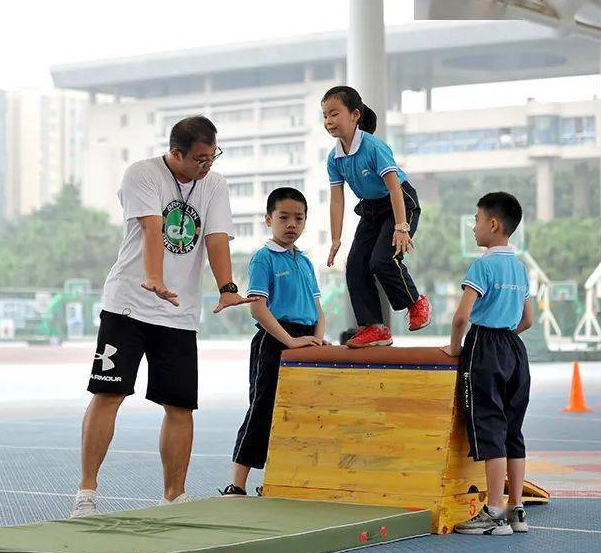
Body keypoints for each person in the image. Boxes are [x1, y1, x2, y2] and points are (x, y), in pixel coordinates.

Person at [70, 116, 256, 517]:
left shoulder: (215, 184)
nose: (207, 165)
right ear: (176, 153)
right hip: (128, 306)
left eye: (213, 156)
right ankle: (86, 493)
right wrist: (153, 278)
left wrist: (227, 288)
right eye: (200, 159)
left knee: (179, 405)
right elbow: (154, 229)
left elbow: (216, 237)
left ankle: (174, 496)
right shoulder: (142, 173)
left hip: (179, 314)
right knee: (109, 394)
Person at [219, 187, 326, 496]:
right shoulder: (263, 259)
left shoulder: (304, 262)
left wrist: (316, 342)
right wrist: (291, 342)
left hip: (306, 342)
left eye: (299, 218)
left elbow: (319, 309)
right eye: (284, 217)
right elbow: (257, 307)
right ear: (269, 219)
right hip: (275, 340)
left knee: (296, 413)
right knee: (262, 409)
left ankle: (279, 482)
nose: (291, 224)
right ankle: (237, 485)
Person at [441, 191, 533, 535]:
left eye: (477, 220)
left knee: (490, 425)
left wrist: (454, 348)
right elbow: (527, 320)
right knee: (512, 429)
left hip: (484, 345)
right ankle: (516, 509)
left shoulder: (483, 265)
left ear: (493, 224)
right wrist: (507, 337)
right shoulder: (520, 268)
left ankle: (493, 510)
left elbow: (461, 317)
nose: (474, 227)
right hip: (514, 347)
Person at [322, 85, 431, 348]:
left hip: (399, 203)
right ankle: (374, 327)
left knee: (382, 259)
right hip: (371, 208)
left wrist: (402, 227)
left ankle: (416, 303)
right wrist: (336, 239)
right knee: (356, 266)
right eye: (325, 116)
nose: (329, 122)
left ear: (355, 115)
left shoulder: (373, 147)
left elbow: (394, 187)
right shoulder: (334, 158)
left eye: (334, 114)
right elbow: (337, 199)